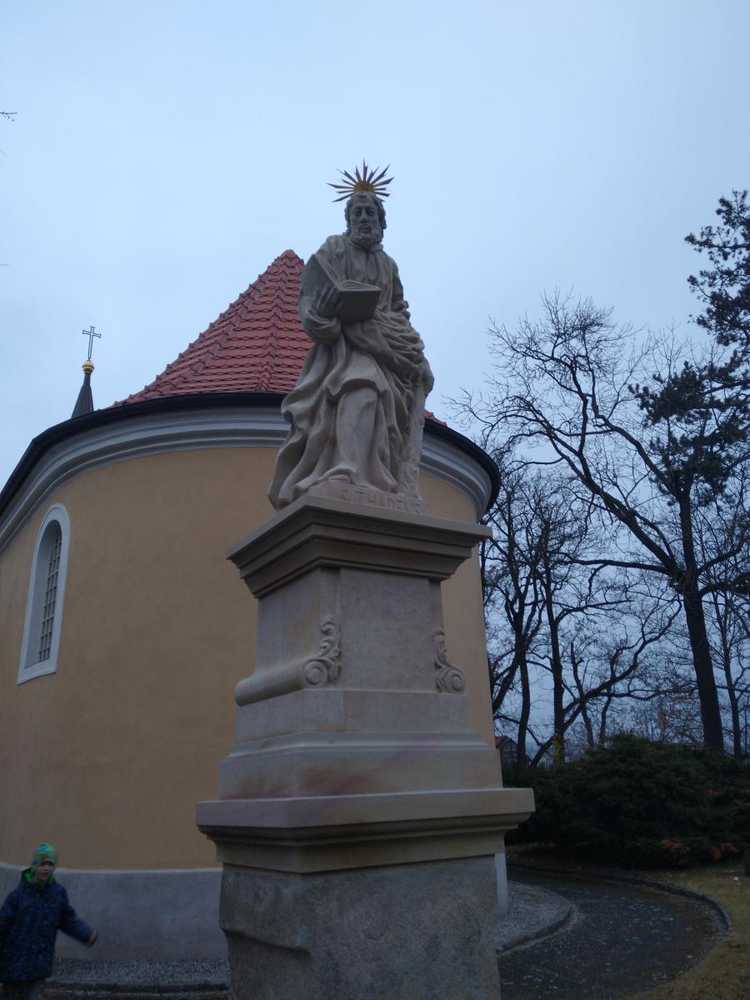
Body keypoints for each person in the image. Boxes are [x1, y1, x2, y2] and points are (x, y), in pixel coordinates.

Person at [269, 173, 433, 509]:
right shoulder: (335, 249)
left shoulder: (388, 266)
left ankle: (375, 475)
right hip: (345, 347)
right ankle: (345, 468)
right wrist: (324, 311)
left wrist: (414, 352)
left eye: (370, 213)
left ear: (382, 222)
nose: (363, 218)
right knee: (362, 385)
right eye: (356, 212)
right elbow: (311, 297)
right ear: (348, 220)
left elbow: (398, 311)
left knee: (385, 410)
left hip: (388, 350)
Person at [0, 843, 97, 1000]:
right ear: (34, 865)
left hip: (39, 964)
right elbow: (2, 924)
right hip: (14, 964)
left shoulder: (57, 894)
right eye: (42, 864)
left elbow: (67, 919)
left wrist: (86, 934)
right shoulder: (17, 896)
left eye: (50, 864)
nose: (46, 868)